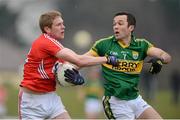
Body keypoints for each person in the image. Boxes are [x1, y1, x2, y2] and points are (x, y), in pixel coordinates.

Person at [18, 10, 117, 119]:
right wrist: (107, 59)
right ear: (47, 29)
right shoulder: (46, 42)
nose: (63, 27)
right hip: (31, 101)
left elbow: (71, 67)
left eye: (63, 23)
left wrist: (73, 77)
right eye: (58, 24)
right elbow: (78, 60)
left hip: (51, 98)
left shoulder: (54, 46)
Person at [85, 12, 172, 119]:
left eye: (120, 23)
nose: (116, 26)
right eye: (114, 24)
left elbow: (166, 55)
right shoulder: (104, 44)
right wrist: (72, 67)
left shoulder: (142, 45)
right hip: (115, 102)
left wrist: (160, 60)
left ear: (131, 27)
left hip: (136, 99)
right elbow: (83, 59)